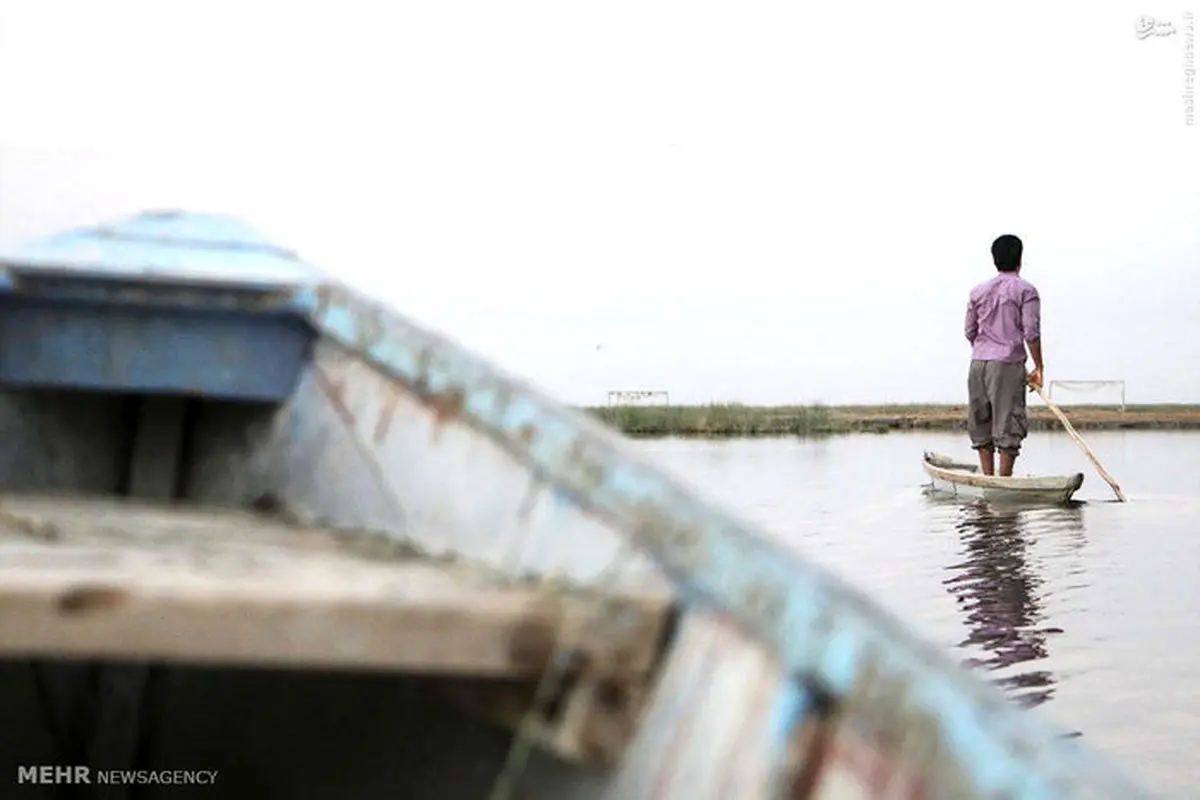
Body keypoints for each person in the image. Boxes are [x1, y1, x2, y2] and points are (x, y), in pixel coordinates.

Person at [964, 234, 1044, 477]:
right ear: (1020, 259)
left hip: (978, 362)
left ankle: (989, 478)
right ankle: (1003, 480)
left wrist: (984, 348)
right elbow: (1031, 332)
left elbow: (969, 331)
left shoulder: (978, 291)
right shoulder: (1026, 291)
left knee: (981, 419)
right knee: (1008, 422)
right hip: (1007, 363)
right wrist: (1039, 367)